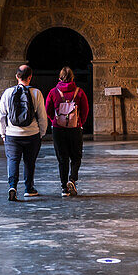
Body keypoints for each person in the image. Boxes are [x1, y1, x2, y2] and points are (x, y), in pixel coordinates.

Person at [0, 64, 48, 201]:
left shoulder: (8, 93)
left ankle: (12, 186)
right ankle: (29, 188)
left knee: (13, 160)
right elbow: (42, 116)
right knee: (29, 162)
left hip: (12, 135)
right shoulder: (36, 93)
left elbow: (2, 115)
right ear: (30, 77)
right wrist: (41, 133)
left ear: (16, 77)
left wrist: (3, 133)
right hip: (32, 134)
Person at [45, 66, 90, 197]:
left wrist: (54, 119)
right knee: (76, 156)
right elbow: (85, 109)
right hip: (75, 128)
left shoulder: (53, 92)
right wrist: (79, 122)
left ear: (59, 78)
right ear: (72, 78)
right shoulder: (79, 92)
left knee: (62, 158)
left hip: (58, 129)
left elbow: (48, 108)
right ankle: (72, 179)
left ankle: (64, 188)